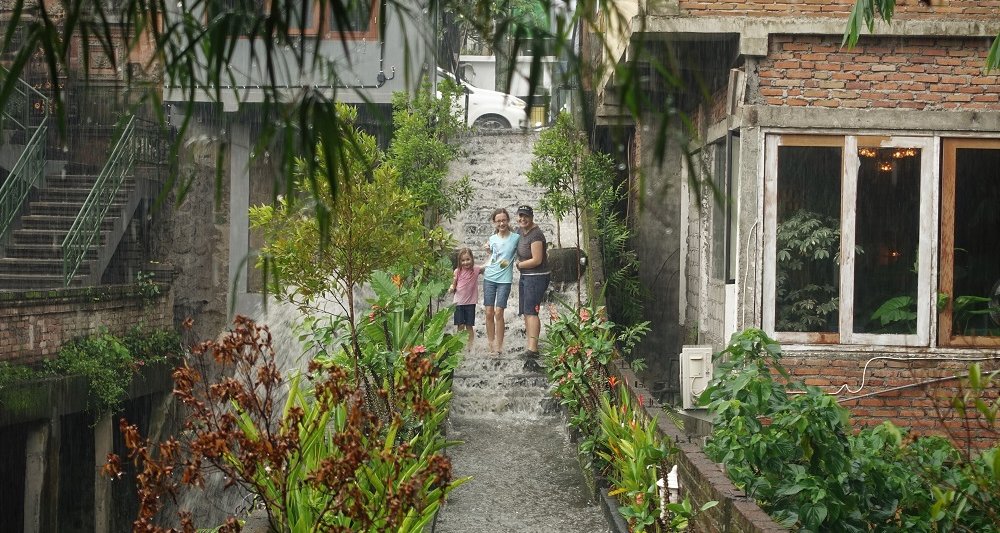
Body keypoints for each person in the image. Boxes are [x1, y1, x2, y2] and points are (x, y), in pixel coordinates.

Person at [514, 205, 550, 361]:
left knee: (532, 312)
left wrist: (519, 265)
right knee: (526, 311)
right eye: (520, 216)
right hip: (526, 276)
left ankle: (533, 350)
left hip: (537, 276)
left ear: (532, 216)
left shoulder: (536, 235)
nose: (523, 219)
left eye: (526, 216)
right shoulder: (520, 231)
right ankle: (530, 345)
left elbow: (537, 260)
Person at [482, 207, 519, 356]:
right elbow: (493, 257)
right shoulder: (492, 239)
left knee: (499, 312)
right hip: (489, 278)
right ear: (494, 222)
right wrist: (488, 252)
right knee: (489, 312)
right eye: (498, 221)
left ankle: (499, 345)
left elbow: (523, 250)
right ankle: (491, 343)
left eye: (504, 220)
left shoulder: (516, 237)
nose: (501, 223)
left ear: (508, 220)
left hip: (505, 280)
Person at [450, 247, 484, 350]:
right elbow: (453, 284)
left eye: (468, 259)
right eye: (463, 260)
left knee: (469, 326)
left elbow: (487, 266)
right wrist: (451, 288)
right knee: (460, 326)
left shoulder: (476, 270)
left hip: (470, 303)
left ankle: (470, 347)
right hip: (459, 303)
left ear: (472, 259)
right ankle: (459, 346)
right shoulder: (457, 271)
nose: (466, 262)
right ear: (459, 261)